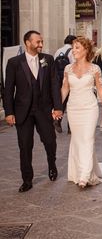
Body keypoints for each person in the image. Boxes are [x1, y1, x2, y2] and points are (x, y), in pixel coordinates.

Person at [2, 30, 63, 192]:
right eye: (37, 42)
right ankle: (27, 180)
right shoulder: (14, 63)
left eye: (41, 41)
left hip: (43, 110)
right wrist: (9, 112)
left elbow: (54, 85)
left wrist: (58, 107)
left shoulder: (48, 60)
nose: (41, 45)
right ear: (28, 43)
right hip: (23, 112)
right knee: (25, 146)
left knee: (50, 141)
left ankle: (52, 164)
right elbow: (8, 90)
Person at [61, 37, 102, 188]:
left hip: (90, 108)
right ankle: (78, 171)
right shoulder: (68, 68)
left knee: (88, 139)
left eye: (77, 48)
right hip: (73, 108)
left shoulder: (95, 68)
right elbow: (64, 88)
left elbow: (101, 88)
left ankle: (84, 175)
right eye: (73, 47)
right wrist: (57, 107)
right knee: (77, 139)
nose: (73, 50)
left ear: (86, 50)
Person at [53, 34, 76, 134]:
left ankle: (57, 120)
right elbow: (75, 66)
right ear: (73, 42)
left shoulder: (58, 51)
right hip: (70, 80)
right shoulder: (72, 51)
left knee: (62, 101)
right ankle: (70, 127)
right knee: (71, 103)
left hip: (59, 80)